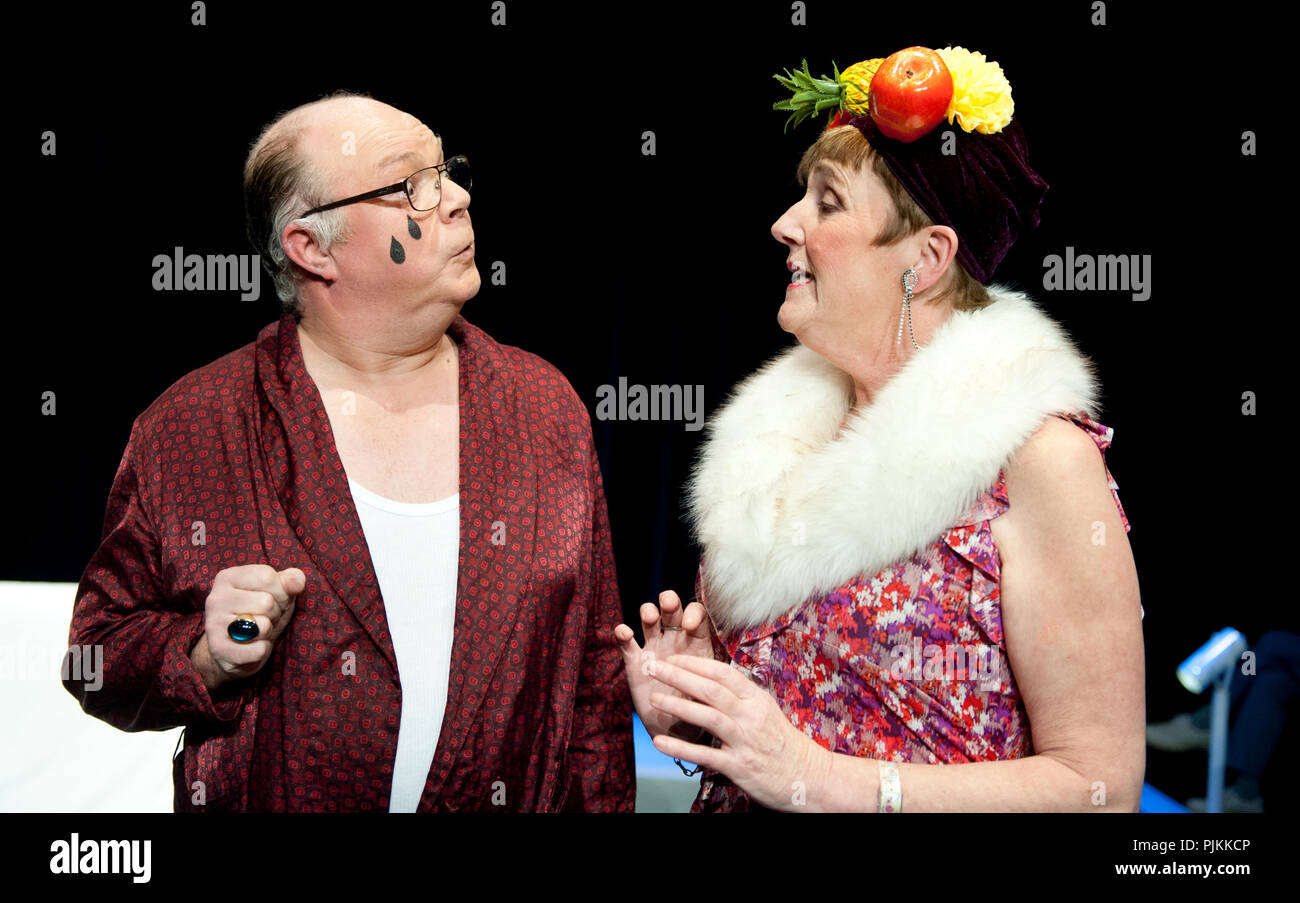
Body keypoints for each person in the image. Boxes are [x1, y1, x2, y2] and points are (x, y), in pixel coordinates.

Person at [62, 92, 634, 812]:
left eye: (446, 171)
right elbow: (96, 658)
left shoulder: (543, 409)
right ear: (310, 247)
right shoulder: (191, 428)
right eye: (409, 186)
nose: (455, 197)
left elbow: (595, 686)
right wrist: (204, 654)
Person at [616, 46, 1145, 812]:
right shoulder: (787, 444)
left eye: (826, 203)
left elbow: (1097, 787)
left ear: (926, 257)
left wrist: (817, 777)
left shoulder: (1038, 463)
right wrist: (706, 703)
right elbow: (783, 737)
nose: (785, 223)